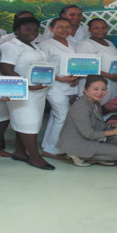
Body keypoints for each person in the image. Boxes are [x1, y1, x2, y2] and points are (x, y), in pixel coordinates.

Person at [0, 17, 54, 170]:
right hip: (21, 91)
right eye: (28, 29)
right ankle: (35, 157)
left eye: (35, 30)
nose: (32, 33)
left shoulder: (35, 46)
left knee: (31, 122)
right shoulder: (10, 46)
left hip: (37, 91)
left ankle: (20, 152)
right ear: (16, 31)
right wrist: (26, 85)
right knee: (27, 122)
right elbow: (6, 69)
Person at [57, 75, 117, 167]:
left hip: (89, 141)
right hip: (78, 143)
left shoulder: (95, 104)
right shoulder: (81, 107)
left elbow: (99, 126)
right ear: (85, 89)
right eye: (96, 89)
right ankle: (79, 156)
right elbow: (89, 134)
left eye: (103, 89)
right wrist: (113, 132)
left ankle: (101, 156)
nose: (100, 92)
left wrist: (114, 126)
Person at [39, 18, 79, 160]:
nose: (64, 30)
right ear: (51, 29)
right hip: (54, 86)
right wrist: (59, 78)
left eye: (67, 27)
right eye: (60, 27)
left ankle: (47, 145)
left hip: (71, 86)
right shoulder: (46, 45)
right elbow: (42, 67)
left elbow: (78, 64)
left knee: (56, 116)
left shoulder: (74, 44)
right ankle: (52, 149)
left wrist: (77, 77)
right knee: (62, 116)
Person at [76, 18, 117, 105]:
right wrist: (109, 76)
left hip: (113, 83)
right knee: (93, 111)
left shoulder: (109, 42)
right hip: (95, 84)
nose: (100, 30)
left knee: (109, 109)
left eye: (103, 28)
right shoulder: (87, 44)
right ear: (89, 29)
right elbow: (85, 68)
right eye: (96, 28)